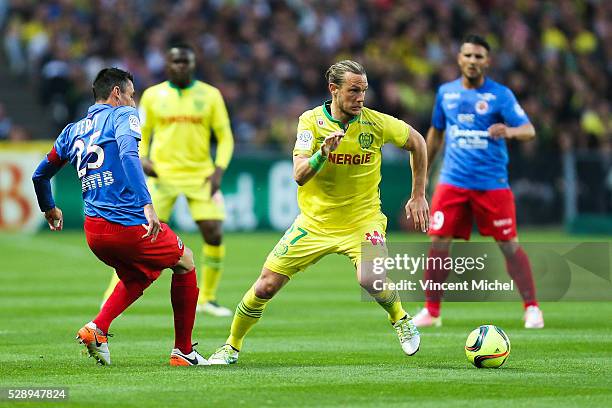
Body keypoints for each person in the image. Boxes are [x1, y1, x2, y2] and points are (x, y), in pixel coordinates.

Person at [207, 60, 430, 365]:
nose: (361, 98)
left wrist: (418, 195)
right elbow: (299, 175)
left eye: (364, 91)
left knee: (371, 278)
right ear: (334, 90)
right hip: (314, 224)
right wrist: (322, 154)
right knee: (266, 284)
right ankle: (231, 347)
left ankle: (401, 319)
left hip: (362, 220)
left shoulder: (375, 122)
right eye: (354, 91)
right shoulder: (310, 122)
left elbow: (417, 142)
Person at [32, 68, 209, 366]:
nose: (133, 101)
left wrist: (49, 207)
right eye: (131, 94)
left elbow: (40, 175)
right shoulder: (123, 116)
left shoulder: (73, 130)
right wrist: (147, 204)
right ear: (117, 93)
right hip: (126, 225)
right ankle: (183, 351)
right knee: (185, 261)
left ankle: (97, 328)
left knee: (140, 274)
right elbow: (128, 154)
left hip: (94, 232)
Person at [412, 35, 544, 329]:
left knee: (508, 245)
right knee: (438, 241)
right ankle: (431, 311)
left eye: (479, 56)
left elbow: (529, 130)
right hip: (452, 181)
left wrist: (509, 132)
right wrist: (423, 171)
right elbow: (436, 133)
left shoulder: (500, 95)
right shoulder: (445, 93)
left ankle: (532, 307)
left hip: (492, 183)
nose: (473, 61)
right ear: (459, 59)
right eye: (468, 55)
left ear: (488, 61)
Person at [100, 43, 235, 316]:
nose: (181, 66)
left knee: (214, 231)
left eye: (186, 62)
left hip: (200, 174)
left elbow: (225, 136)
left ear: (193, 65)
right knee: (137, 233)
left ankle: (207, 298)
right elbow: (141, 131)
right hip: (162, 174)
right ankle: (109, 296)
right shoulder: (152, 95)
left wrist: (219, 169)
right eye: (176, 62)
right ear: (168, 65)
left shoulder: (210, 95)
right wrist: (143, 158)